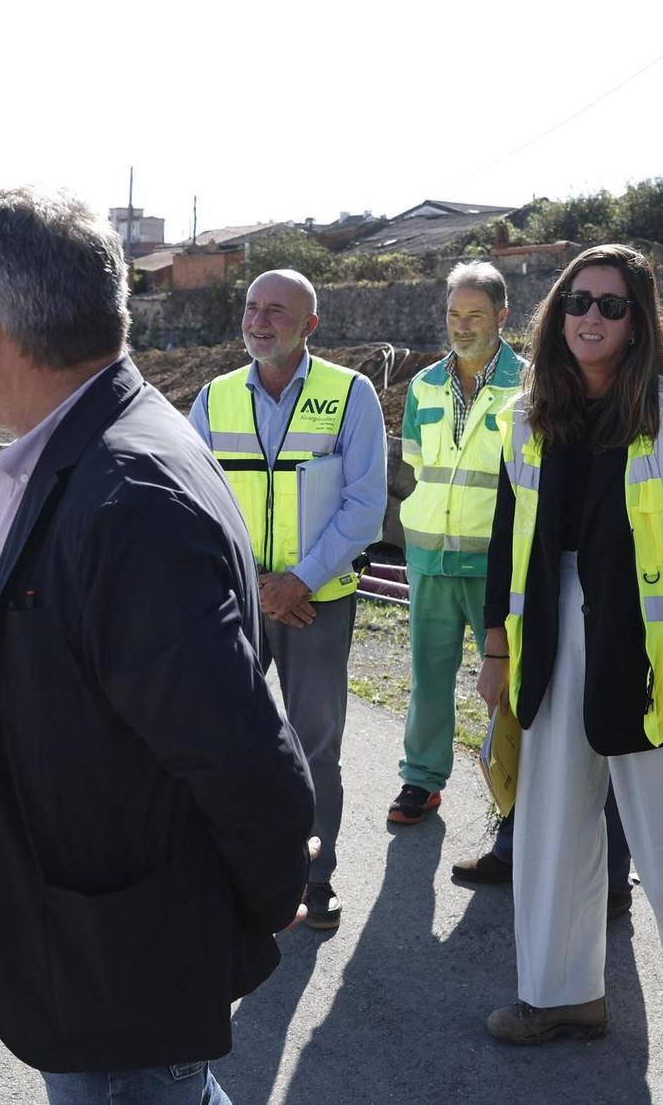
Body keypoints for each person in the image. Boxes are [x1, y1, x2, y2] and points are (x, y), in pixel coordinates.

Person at [0, 188, 315, 1105]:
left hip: (124, 965)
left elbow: (248, 760)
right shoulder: (101, 445)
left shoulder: (126, 492)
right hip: (110, 945)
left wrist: (249, 913)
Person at [478, 244, 663, 1045]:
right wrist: (495, 650)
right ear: (558, 313)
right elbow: (507, 535)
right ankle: (559, 995)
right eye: (579, 301)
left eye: (612, 306)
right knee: (550, 826)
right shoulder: (527, 412)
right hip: (549, 638)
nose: (591, 316)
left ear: (639, 319)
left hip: (658, 657)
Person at [190, 269, 388, 931]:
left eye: (276, 310)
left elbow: (364, 507)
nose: (258, 319)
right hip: (237, 600)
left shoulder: (350, 394)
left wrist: (297, 580)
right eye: (251, 307)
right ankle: (227, 870)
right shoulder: (214, 399)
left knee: (313, 749)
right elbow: (189, 503)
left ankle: (314, 876)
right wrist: (257, 584)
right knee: (219, 738)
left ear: (310, 324)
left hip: (317, 604)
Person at [392, 261, 525, 828]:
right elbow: (420, 465)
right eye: (453, 314)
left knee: (512, 682)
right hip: (429, 557)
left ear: (502, 316)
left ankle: (520, 791)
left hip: (499, 564)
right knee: (429, 678)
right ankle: (421, 780)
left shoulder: (531, 384)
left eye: (475, 315)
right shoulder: (423, 386)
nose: (462, 326)